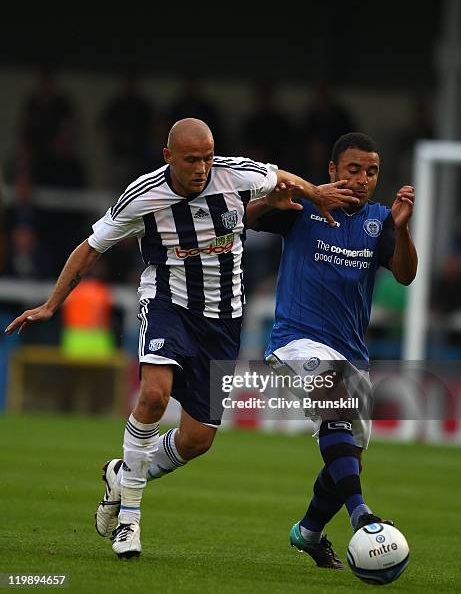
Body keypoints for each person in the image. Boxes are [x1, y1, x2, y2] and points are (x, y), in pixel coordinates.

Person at [4, 118, 359, 560]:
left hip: (224, 319)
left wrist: (315, 193)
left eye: (208, 157)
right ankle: (129, 521)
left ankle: (123, 473)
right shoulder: (143, 195)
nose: (202, 167)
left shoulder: (235, 173)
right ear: (168, 156)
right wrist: (51, 304)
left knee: (197, 440)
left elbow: (280, 178)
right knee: (154, 396)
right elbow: (91, 247)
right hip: (168, 304)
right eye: (192, 159)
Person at [246, 132, 417, 569]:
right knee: (336, 413)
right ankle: (363, 517)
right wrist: (273, 201)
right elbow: (247, 217)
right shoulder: (307, 206)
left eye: (371, 171)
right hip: (295, 340)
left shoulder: (380, 220)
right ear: (333, 171)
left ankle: (308, 532)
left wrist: (401, 228)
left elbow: (405, 274)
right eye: (354, 169)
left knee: (348, 456)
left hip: (351, 352)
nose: (362, 179)